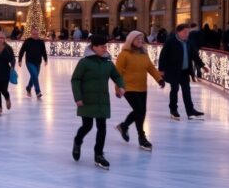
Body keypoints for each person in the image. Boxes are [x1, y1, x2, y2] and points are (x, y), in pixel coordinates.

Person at [70, 35, 125, 170]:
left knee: (102, 127)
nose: (105, 49)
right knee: (87, 126)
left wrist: (121, 86)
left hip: (102, 100)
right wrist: (78, 97)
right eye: (102, 47)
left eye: (106, 46)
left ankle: (98, 154)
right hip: (87, 100)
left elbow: (117, 76)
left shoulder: (107, 62)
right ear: (94, 47)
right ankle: (77, 141)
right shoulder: (84, 62)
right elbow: (75, 80)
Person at [114, 31, 165, 151]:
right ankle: (142, 137)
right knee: (139, 110)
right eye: (137, 39)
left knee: (141, 111)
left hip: (142, 87)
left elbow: (150, 68)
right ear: (131, 40)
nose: (140, 41)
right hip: (128, 87)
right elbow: (117, 73)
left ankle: (124, 126)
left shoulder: (144, 54)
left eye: (142, 39)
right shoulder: (124, 55)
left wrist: (159, 79)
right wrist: (118, 88)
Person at [159, 23, 209, 121]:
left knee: (186, 91)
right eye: (185, 32)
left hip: (185, 71)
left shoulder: (188, 42)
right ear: (178, 32)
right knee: (175, 89)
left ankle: (190, 111)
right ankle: (173, 110)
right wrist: (161, 70)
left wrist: (203, 66)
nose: (187, 34)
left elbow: (194, 56)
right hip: (173, 71)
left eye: (188, 32)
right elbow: (163, 56)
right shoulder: (170, 41)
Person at [18, 27, 48, 99]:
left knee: (34, 76)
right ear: (31, 34)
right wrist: (20, 60)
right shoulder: (27, 41)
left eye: (37, 34)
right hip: (29, 62)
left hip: (38, 62)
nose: (35, 35)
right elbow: (22, 51)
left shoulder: (41, 42)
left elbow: (43, 51)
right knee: (34, 75)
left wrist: (45, 59)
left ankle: (28, 88)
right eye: (34, 34)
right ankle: (38, 92)